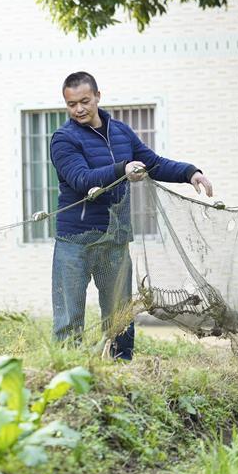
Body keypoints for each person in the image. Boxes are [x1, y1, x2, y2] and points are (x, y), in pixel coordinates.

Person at [50, 72, 214, 360]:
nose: (78, 109)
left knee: (119, 316)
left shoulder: (121, 132)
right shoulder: (63, 139)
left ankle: (121, 370)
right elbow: (80, 179)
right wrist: (121, 169)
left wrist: (190, 172)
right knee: (69, 318)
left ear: (98, 97)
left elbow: (153, 163)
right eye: (71, 104)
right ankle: (66, 372)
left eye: (84, 101)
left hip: (115, 238)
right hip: (75, 240)